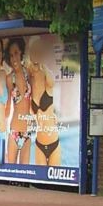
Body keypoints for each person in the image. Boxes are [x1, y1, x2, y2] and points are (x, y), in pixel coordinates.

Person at [28, 36, 61, 166]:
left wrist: (42, 65)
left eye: (39, 50)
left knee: (55, 182)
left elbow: (52, 82)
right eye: (33, 50)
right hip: (39, 144)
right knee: (40, 181)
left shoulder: (47, 76)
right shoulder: (30, 78)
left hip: (54, 143)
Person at [5, 37, 33, 164]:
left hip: (27, 131)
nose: (14, 58)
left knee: (25, 172)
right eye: (11, 55)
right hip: (14, 131)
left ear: (21, 52)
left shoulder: (28, 73)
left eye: (16, 53)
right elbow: (7, 105)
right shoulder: (10, 78)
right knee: (10, 172)